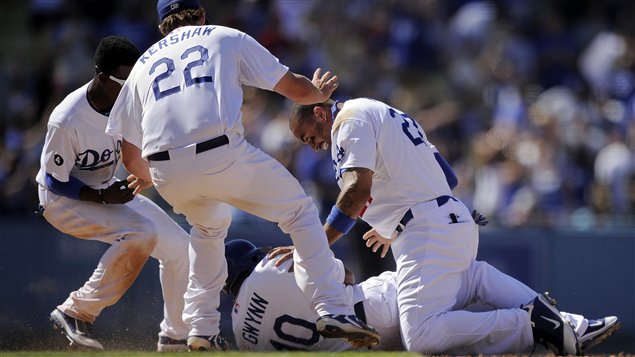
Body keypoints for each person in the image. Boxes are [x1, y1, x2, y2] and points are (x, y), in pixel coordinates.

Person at [105, 0, 380, 351]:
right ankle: (332, 307)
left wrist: (151, 175)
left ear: (162, 26)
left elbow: (129, 153)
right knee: (299, 211)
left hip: (163, 168)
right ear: (201, 13)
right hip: (219, 150)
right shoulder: (223, 37)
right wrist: (318, 95)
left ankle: (200, 329)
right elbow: (293, 88)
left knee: (207, 229)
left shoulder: (143, 64)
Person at [287, 97, 618, 355]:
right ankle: (570, 325)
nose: (312, 144)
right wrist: (396, 220)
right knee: (472, 280)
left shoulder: (348, 120)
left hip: (427, 228)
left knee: (421, 335)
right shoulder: (378, 112)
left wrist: (315, 243)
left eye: (309, 135)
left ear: (320, 114)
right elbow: (448, 175)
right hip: (449, 219)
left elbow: (358, 190)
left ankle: (533, 324)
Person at [36, 36, 191, 352]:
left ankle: (174, 336)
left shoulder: (127, 103)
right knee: (141, 233)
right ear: (102, 77)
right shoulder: (67, 119)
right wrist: (104, 198)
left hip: (107, 191)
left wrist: (148, 175)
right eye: (124, 81)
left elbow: (133, 155)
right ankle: (75, 312)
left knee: (181, 249)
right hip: (63, 201)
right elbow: (54, 180)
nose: (131, 87)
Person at [226, 239, 619, 354]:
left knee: (469, 289)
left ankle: (554, 326)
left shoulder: (239, 329)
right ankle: (546, 322)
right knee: (474, 275)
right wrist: (301, 254)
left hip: (366, 346)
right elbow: (344, 276)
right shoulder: (273, 266)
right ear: (252, 258)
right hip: (379, 306)